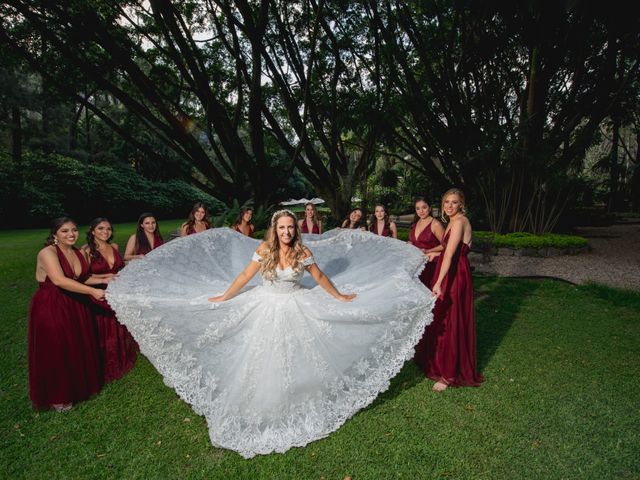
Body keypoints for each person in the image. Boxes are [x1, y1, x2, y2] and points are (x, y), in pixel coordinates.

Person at [106, 210, 435, 458]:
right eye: (282, 227)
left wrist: (339, 297)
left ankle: (300, 402)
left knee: (300, 357)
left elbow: (319, 278)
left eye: (291, 227)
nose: (288, 231)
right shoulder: (263, 251)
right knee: (263, 361)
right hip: (266, 306)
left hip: (296, 305)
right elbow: (244, 276)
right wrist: (224, 297)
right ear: (275, 230)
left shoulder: (304, 253)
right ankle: (265, 408)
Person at [28, 217, 106, 411]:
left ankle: (79, 387)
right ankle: (57, 395)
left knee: (75, 344)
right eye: (65, 231)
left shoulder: (78, 252)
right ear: (55, 235)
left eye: (74, 230)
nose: (71, 234)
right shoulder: (47, 252)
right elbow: (59, 280)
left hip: (75, 302)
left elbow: (83, 278)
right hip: (52, 305)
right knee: (57, 348)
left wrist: (108, 278)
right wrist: (93, 292)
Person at [417, 189, 484, 391]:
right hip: (451, 269)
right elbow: (444, 250)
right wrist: (430, 253)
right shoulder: (452, 222)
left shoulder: (459, 222)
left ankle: (449, 374)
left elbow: (450, 254)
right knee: (444, 317)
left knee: (452, 318)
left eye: (454, 202)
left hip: (455, 274)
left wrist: (438, 282)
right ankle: (441, 362)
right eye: (446, 202)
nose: (449, 206)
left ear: (461, 204)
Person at [82, 218, 137, 382]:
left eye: (108, 229)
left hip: (117, 291)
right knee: (106, 324)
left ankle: (122, 354)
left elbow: (119, 269)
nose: (105, 232)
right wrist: (105, 277)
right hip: (98, 292)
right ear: (92, 231)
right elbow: (83, 277)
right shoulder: (85, 251)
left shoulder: (114, 247)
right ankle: (107, 360)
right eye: (100, 228)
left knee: (121, 322)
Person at [408, 197, 444, 286]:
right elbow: (414, 241)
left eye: (424, 207)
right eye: (418, 208)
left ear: (430, 208)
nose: (421, 211)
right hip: (416, 265)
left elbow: (446, 244)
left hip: (431, 265)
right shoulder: (415, 224)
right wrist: (410, 243)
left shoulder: (435, 224)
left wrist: (428, 251)